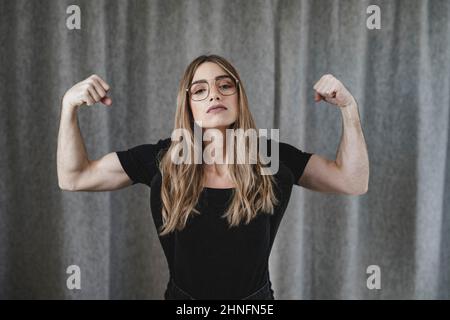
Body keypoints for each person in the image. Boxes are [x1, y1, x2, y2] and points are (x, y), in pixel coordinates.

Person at [57, 54, 369, 300]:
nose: (213, 95)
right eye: (200, 90)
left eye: (224, 85)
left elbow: (352, 181)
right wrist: (68, 106)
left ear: (238, 96)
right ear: (189, 104)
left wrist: (349, 109)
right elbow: (74, 177)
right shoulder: (164, 159)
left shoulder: (270, 157)